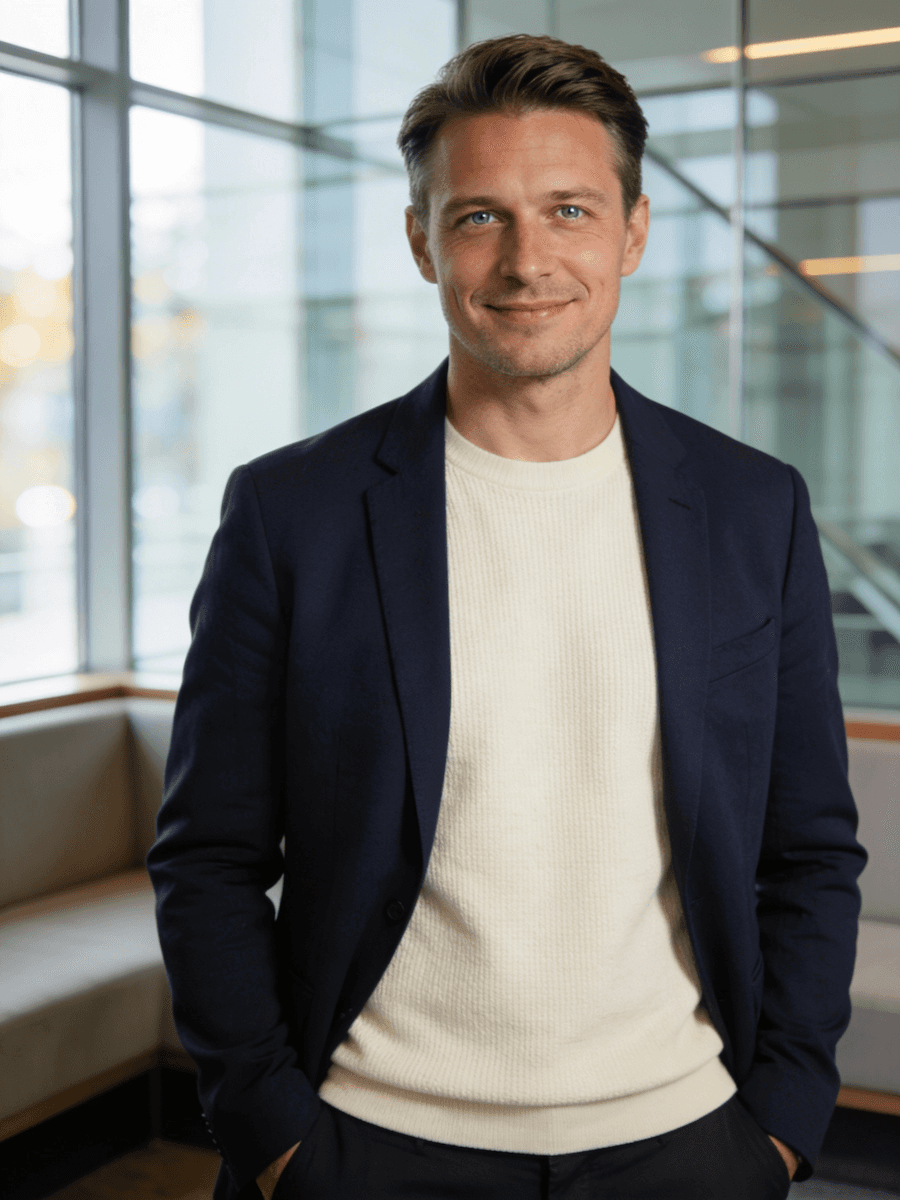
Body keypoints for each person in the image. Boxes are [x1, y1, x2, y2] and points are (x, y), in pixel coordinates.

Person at [147, 33, 867, 1200]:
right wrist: (275, 1136)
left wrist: (780, 1120)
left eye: (571, 210)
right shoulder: (295, 513)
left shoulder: (751, 508)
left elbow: (810, 850)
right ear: (422, 241)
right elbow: (210, 859)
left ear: (633, 231)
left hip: (685, 1143)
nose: (529, 259)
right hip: (364, 1145)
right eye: (480, 216)